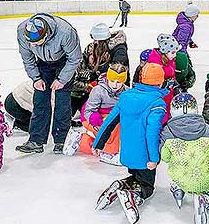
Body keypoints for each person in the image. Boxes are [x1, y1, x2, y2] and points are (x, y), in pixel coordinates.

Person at [92, 63, 167, 224]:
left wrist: (98, 143)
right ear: (160, 83)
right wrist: (154, 158)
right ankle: (135, 195)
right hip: (144, 157)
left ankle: (121, 185)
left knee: (135, 175)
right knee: (147, 185)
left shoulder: (126, 97)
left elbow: (110, 121)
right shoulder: (157, 103)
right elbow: (152, 133)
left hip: (127, 153)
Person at [16, 13, 82, 154]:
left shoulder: (66, 32)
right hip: (43, 63)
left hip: (64, 63)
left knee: (62, 101)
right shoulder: (22, 31)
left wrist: (62, 79)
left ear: (45, 35)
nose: (32, 45)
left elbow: (75, 58)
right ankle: (36, 140)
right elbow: (27, 58)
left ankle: (61, 139)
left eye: (36, 42)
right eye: (30, 42)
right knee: (40, 99)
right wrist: (36, 78)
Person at [160, 93, 209, 224]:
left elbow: (165, 156)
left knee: (178, 174)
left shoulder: (168, 131)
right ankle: (207, 199)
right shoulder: (205, 128)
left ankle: (178, 189)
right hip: (204, 179)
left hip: (181, 176)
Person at [72, 23, 130, 120]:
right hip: (103, 84)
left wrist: (99, 78)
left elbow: (116, 73)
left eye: (96, 40)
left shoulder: (118, 51)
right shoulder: (96, 48)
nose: (94, 42)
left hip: (113, 86)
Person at [79, 64, 129, 160]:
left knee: (117, 128)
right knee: (109, 131)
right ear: (107, 79)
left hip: (113, 117)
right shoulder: (98, 90)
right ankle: (109, 152)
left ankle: (89, 142)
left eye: (119, 82)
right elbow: (88, 110)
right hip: (93, 118)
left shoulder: (127, 92)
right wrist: (95, 118)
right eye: (112, 81)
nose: (115, 85)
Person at [148, 34, 179, 123]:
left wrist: (174, 83)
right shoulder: (155, 63)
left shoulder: (170, 60)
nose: (175, 55)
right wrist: (164, 84)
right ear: (164, 51)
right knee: (160, 116)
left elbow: (171, 74)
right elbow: (150, 82)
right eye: (172, 52)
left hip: (168, 94)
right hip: (160, 96)